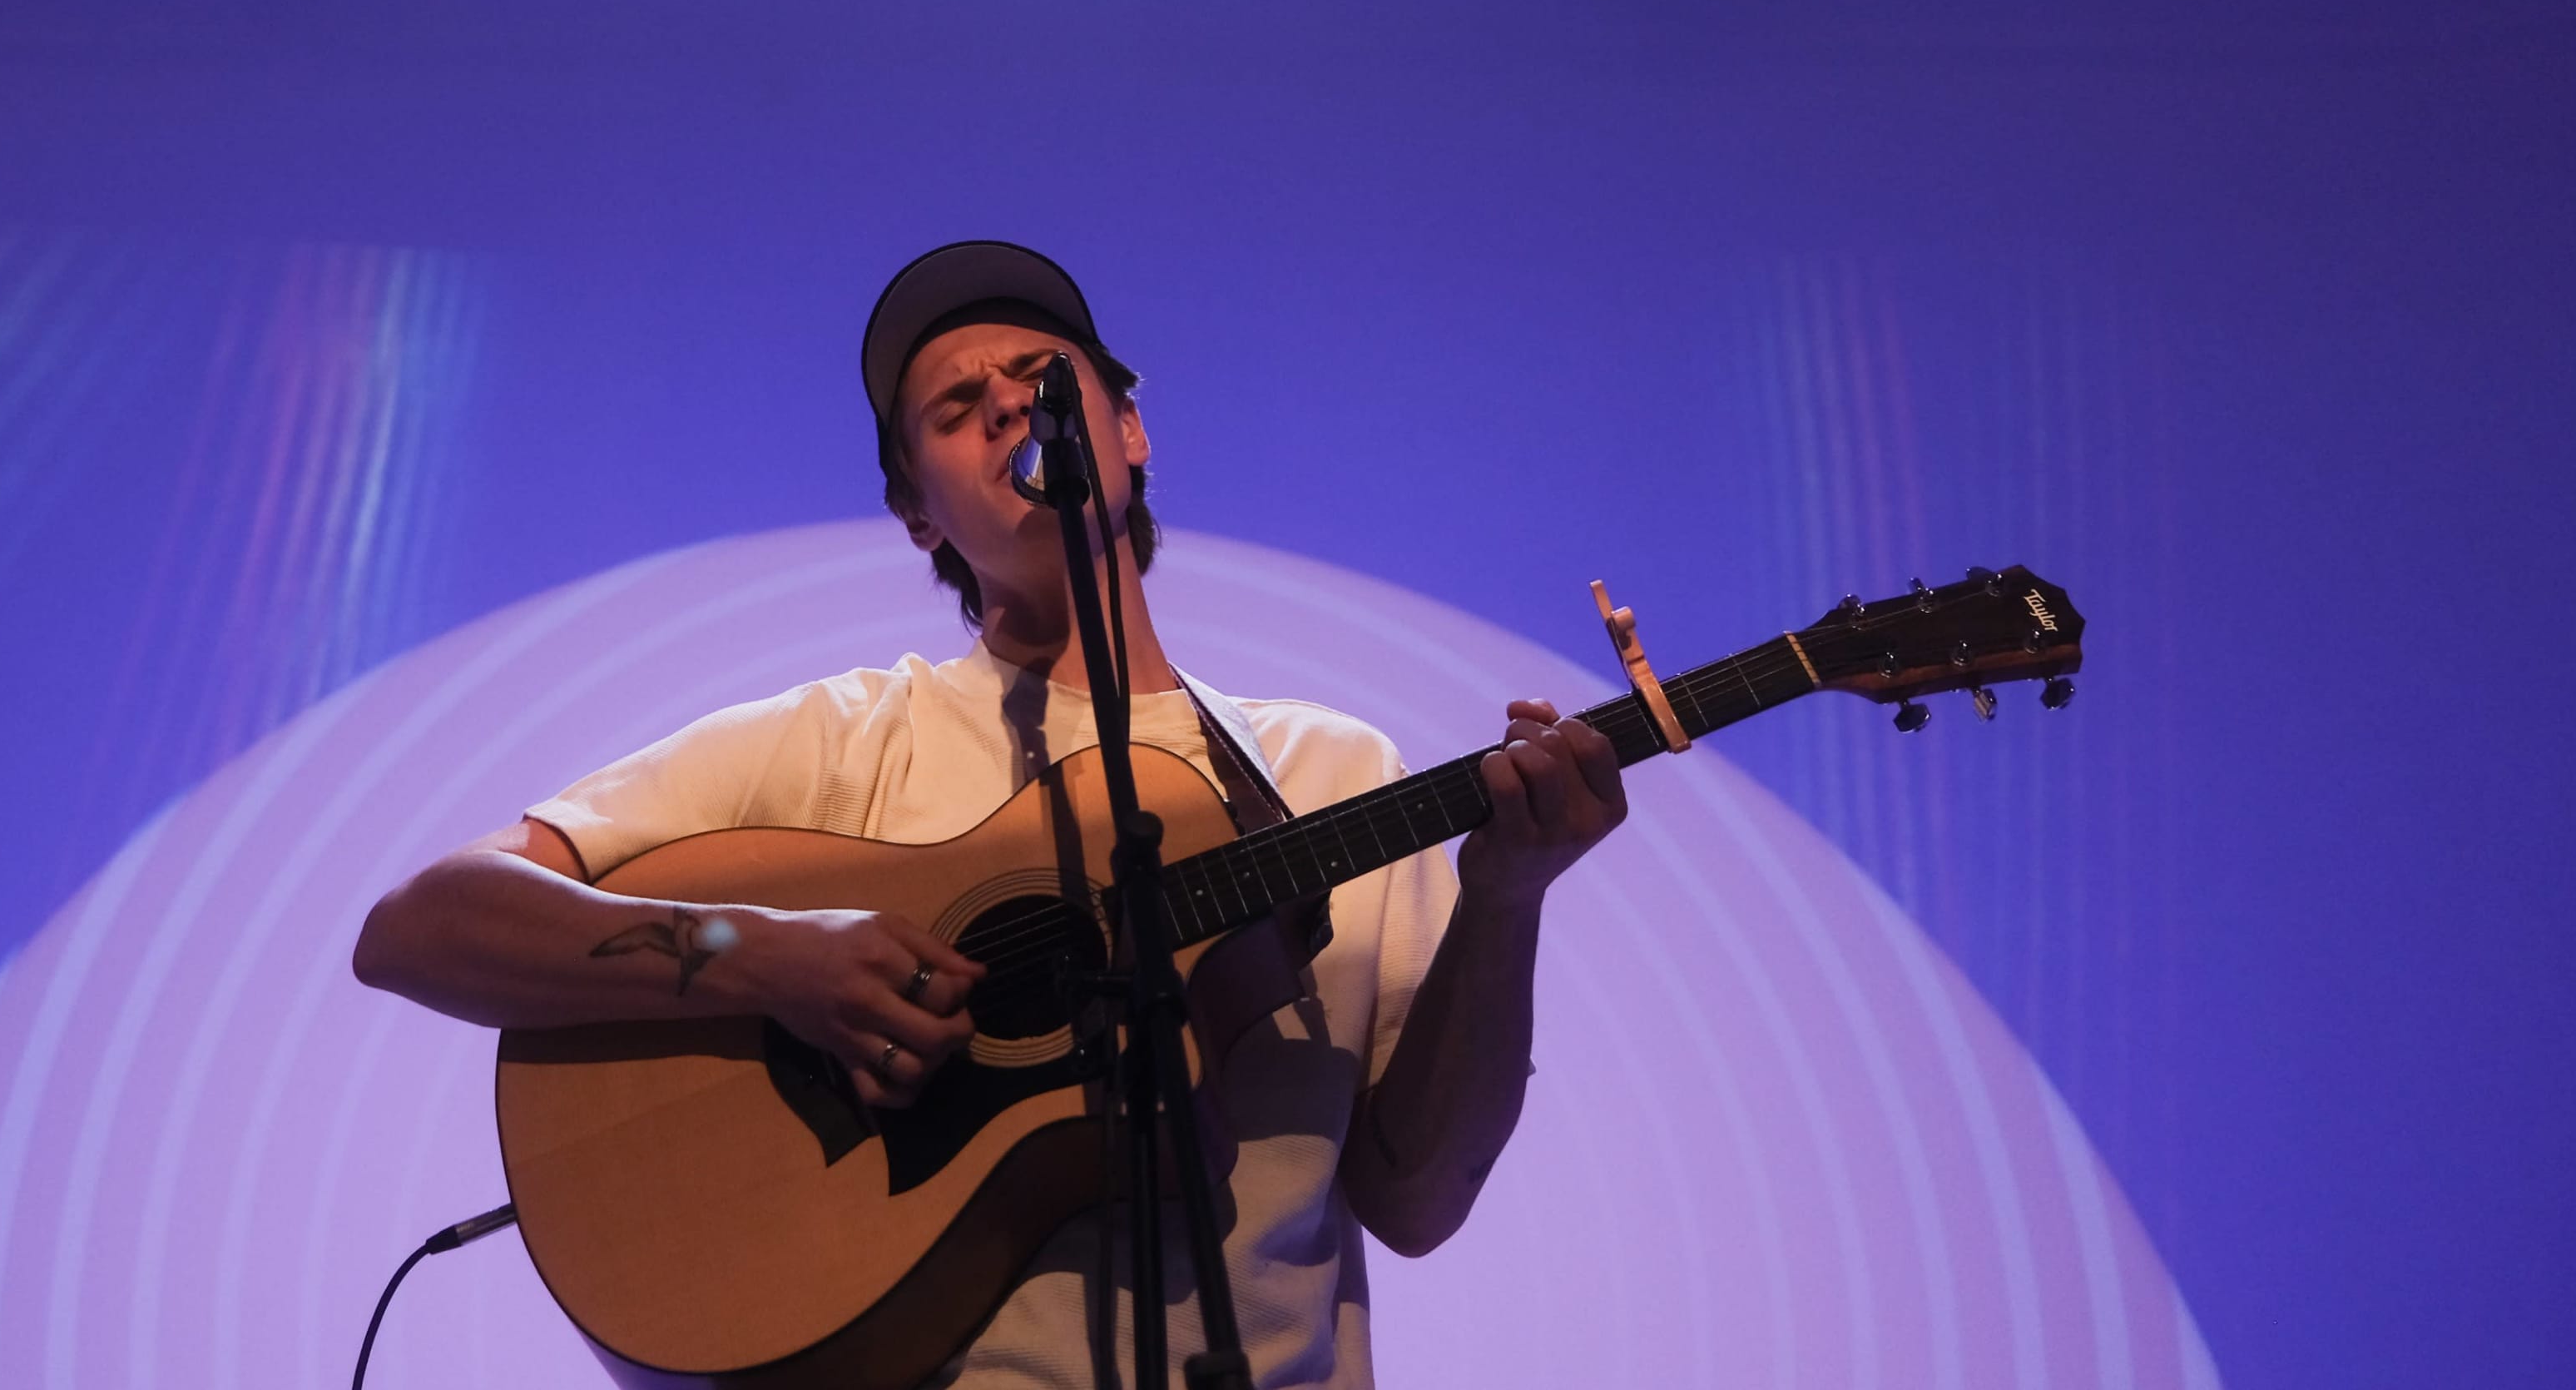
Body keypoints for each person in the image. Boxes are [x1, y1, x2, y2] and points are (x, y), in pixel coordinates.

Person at [352, 241, 1629, 1388]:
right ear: (919, 515)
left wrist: (1508, 900)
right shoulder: (845, 745)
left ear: (1130, 432)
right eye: (958, 410)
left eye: (1045, 378)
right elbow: (421, 928)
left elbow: (1414, 1198)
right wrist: (768, 955)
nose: (1013, 404)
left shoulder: (1329, 771)